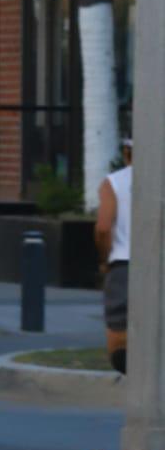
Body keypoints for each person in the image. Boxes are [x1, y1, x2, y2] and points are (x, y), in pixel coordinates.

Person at [95, 138, 132, 375]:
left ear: (127, 153)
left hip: (123, 266)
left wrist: (103, 260)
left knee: (118, 337)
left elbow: (103, 228)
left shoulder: (114, 182)